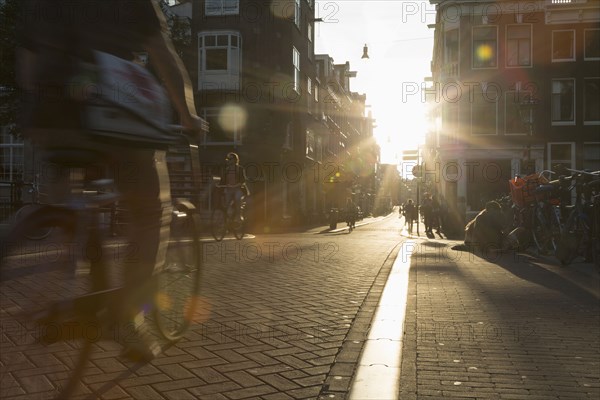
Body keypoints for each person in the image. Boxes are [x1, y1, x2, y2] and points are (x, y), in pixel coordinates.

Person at [17, 0, 205, 361]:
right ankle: (127, 320)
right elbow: (163, 55)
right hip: (109, 100)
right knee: (149, 209)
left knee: (65, 198)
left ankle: (67, 237)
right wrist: (188, 114)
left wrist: (37, 110)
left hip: (49, 106)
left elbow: (26, 57)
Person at [220, 152, 249, 218]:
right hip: (229, 189)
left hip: (237, 189)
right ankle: (228, 217)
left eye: (230, 159)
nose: (229, 160)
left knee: (237, 198)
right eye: (228, 159)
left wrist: (236, 185)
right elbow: (223, 181)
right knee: (226, 203)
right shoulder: (226, 170)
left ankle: (239, 216)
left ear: (235, 160)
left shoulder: (240, 169)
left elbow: (243, 180)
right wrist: (220, 185)